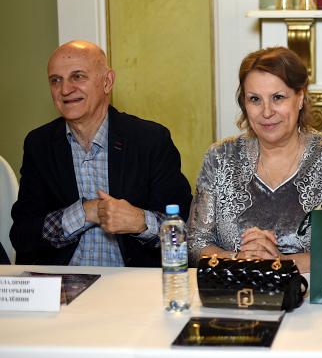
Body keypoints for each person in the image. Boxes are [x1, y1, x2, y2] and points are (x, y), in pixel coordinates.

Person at [188, 47, 322, 272]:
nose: (266, 112)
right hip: (237, 288)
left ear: (300, 98)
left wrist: (280, 263)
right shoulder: (219, 157)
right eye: (255, 99)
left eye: (278, 97)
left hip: (311, 291)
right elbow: (196, 244)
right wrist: (240, 259)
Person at [10, 40, 192, 267]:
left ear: (107, 82)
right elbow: (23, 235)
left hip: (131, 282)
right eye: (56, 80)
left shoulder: (150, 140)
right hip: (61, 281)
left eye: (78, 76)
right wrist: (85, 213)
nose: (65, 90)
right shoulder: (39, 144)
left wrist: (140, 221)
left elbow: (185, 229)